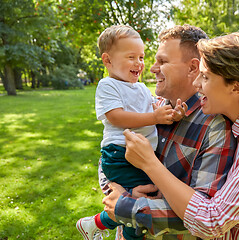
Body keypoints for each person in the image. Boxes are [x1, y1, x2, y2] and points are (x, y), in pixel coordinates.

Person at [105, 32, 239, 239]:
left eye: (205, 76)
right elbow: (112, 148)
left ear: (236, 87)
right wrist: (121, 188)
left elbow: (212, 219)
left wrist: (147, 168)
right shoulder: (170, 110)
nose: (196, 83)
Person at [99, 24, 237, 239]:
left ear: (193, 68)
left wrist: (128, 205)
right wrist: (118, 190)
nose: (151, 68)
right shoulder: (153, 107)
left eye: (161, 61)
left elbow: (204, 215)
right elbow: (110, 152)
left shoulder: (214, 127)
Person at [76, 25, 186, 240]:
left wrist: (174, 115)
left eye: (142, 57)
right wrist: (154, 118)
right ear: (107, 60)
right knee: (137, 203)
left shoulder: (143, 88)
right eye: (131, 57)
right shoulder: (108, 86)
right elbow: (116, 116)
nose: (139, 63)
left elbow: (157, 111)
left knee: (139, 199)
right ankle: (123, 233)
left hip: (140, 155)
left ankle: (95, 224)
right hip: (119, 155)